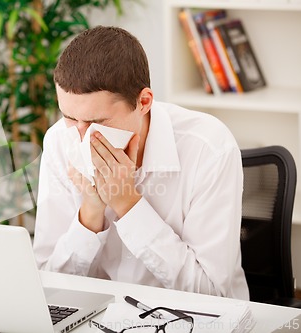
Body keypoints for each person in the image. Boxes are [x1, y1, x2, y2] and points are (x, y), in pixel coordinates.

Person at [32, 26, 249, 300]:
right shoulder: (60, 141)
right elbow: (48, 285)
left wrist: (127, 204)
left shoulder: (209, 148)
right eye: (70, 117)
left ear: (144, 101)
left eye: (97, 122)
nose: (82, 137)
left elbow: (213, 294)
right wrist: (90, 214)